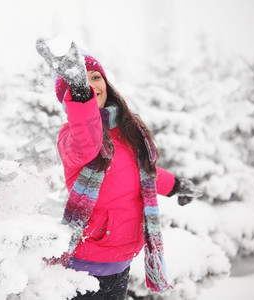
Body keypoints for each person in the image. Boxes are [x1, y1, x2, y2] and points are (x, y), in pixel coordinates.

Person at [36, 38, 203, 300]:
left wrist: (176, 185)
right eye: (81, 80)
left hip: (120, 263)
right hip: (84, 267)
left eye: (95, 77)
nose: (92, 85)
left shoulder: (126, 132)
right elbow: (87, 142)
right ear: (68, 95)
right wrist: (81, 95)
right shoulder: (71, 136)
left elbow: (144, 174)